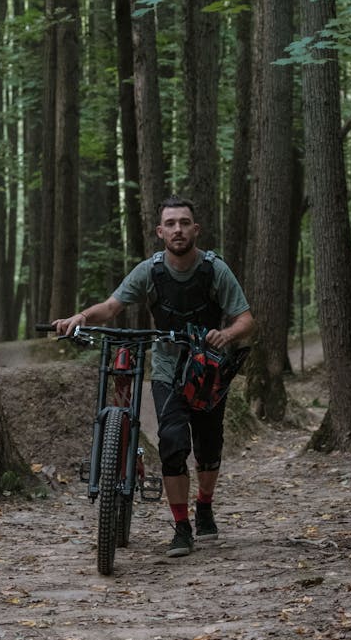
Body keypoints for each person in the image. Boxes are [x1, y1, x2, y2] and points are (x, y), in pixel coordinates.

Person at [53, 194, 254, 558]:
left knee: (208, 448)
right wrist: (81, 316)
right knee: (173, 444)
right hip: (166, 371)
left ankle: (205, 506)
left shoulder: (214, 270)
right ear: (160, 231)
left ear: (196, 228)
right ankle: (181, 527)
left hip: (208, 372)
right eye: (171, 224)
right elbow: (113, 306)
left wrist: (226, 334)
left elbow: (246, 319)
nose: (178, 229)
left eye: (184, 223)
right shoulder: (151, 270)